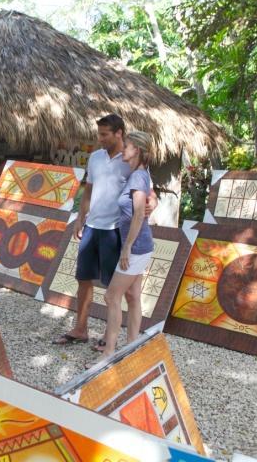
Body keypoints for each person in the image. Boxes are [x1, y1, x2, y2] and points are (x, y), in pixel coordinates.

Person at [52, 114, 156, 347]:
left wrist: (152, 204)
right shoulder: (96, 157)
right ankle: (80, 329)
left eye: (104, 135)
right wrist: (80, 217)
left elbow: (148, 192)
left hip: (114, 231)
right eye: (99, 133)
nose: (99, 139)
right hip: (92, 226)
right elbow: (88, 190)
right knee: (83, 279)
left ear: (119, 133)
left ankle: (110, 341)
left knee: (113, 289)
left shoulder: (131, 158)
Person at [99, 131, 155, 359]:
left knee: (111, 297)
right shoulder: (138, 175)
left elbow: (139, 213)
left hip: (137, 246)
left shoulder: (137, 177)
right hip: (139, 245)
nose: (123, 149)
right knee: (132, 297)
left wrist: (127, 246)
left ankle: (109, 352)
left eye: (127, 146)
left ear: (137, 151)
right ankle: (132, 347)